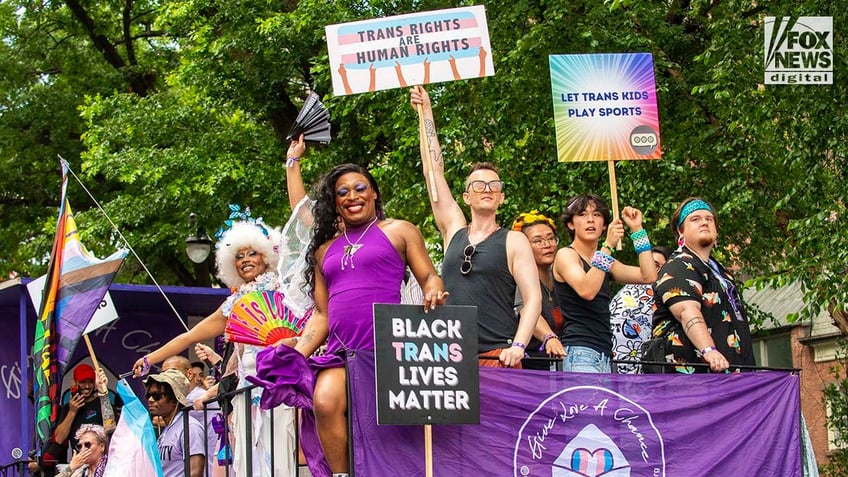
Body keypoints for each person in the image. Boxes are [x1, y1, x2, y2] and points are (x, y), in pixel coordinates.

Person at [294, 162, 445, 475]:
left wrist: (433, 290)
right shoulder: (324, 251)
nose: (352, 196)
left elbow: (429, 275)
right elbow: (322, 315)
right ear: (335, 203)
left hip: (389, 349)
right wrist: (294, 356)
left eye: (360, 188)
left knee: (390, 433)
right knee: (324, 403)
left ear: (374, 193)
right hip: (341, 351)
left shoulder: (399, 230)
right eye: (343, 192)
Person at [410, 85, 540, 369]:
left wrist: (518, 346)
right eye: (478, 185)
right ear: (466, 196)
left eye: (494, 186)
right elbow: (432, 172)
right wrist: (426, 113)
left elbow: (532, 298)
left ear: (502, 197)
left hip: (498, 354)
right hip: (452, 353)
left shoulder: (514, 240)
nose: (487, 190)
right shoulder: (454, 230)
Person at [552, 194, 658, 373]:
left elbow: (648, 276)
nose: (591, 220)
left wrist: (637, 230)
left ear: (604, 225)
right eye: (583, 214)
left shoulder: (604, 261)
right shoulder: (566, 254)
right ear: (571, 224)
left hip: (605, 353)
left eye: (597, 214)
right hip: (580, 351)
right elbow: (586, 290)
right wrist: (608, 245)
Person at [650, 197, 755, 373]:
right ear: (680, 231)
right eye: (695, 219)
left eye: (709, 219)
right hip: (693, 378)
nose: (704, 222)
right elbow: (686, 311)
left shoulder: (721, 272)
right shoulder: (678, 265)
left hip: (732, 375)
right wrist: (708, 350)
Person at [510, 210, 567, 370]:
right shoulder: (517, 278)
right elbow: (526, 310)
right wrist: (549, 337)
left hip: (560, 364)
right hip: (529, 365)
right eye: (538, 241)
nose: (547, 245)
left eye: (550, 238)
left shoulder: (561, 276)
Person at [609, 245, 672, 373]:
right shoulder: (631, 286)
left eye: (658, 266)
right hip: (613, 361)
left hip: (644, 365)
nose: (652, 269)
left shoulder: (665, 293)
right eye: (649, 264)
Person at [145, 369, 205, 477]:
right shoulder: (169, 429)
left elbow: (195, 473)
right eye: (149, 395)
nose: (150, 400)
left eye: (157, 396)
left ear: (174, 400)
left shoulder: (190, 427)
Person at [54, 364, 121, 455]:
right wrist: (72, 412)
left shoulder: (103, 404)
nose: (87, 386)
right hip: (79, 464)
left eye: (90, 382)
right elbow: (59, 439)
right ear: (74, 383)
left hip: (102, 462)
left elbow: (112, 430)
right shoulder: (68, 408)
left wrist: (103, 395)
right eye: (82, 382)